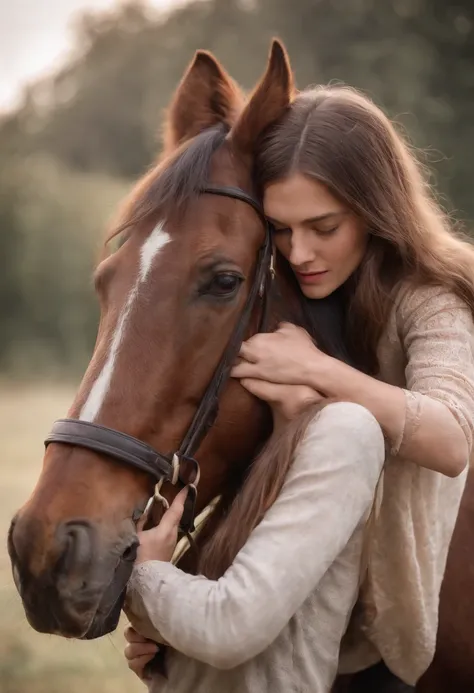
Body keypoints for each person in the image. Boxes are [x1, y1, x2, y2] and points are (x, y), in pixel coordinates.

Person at [122, 85, 474, 693]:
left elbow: (450, 439)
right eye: (281, 229)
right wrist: (170, 606)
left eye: (323, 227)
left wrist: (320, 372)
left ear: (374, 208)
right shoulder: (268, 284)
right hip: (283, 598)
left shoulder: (428, 298)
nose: (301, 251)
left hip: (392, 618)